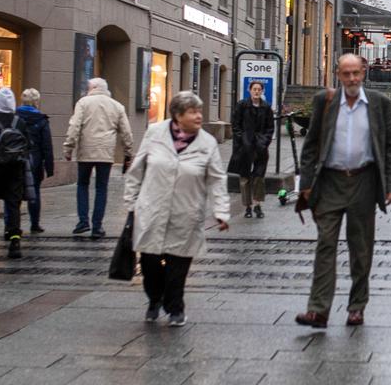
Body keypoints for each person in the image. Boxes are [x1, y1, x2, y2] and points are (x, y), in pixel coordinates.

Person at [295, 54, 391, 329]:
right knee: (325, 244)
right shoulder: (326, 101)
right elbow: (310, 145)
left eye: (356, 73)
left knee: (361, 248)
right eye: (347, 74)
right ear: (338, 75)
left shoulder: (379, 103)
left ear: (363, 73)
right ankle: (318, 309)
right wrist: (305, 184)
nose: (352, 78)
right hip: (330, 182)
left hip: (364, 182)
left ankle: (357, 307)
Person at [124, 91, 230, 327]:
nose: (199, 116)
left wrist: (221, 211)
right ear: (178, 115)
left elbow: (216, 179)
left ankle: (175, 308)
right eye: (193, 112)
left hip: (186, 212)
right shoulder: (154, 134)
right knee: (150, 263)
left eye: (199, 111)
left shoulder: (207, 143)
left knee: (178, 266)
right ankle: (154, 298)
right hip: (152, 210)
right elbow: (136, 171)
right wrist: (131, 203)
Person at [63, 77, 134, 239]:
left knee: (82, 185)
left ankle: (83, 222)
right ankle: (97, 226)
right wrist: (128, 153)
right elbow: (126, 132)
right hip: (105, 153)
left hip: (85, 153)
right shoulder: (117, 106)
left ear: (93, 87)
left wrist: (68, 148)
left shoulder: (83, 103)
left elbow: (74, 126)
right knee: (101, 188)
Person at [230, 81, 274, 219]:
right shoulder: (242, 105)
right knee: (245, 178)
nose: (256, 92)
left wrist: (264, 141)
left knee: (259, 177)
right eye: (254, 89)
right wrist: (242, 140)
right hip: (245, 147)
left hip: (260, 147)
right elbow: (235, 124)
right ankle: (247, 206)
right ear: (249, 90)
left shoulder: (266, 107)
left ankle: (257, 205)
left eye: (259, 89)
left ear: (262, 91)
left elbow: (270, 128)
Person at [0, 88, 32, 258]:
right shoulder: (19, 121)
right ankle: (15, 241)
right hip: (15, 168)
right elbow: (28, 145)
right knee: (13, 204)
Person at [15, 89, 52, 235]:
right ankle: (34, 224)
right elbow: (46, 145)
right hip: (34, 160)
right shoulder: (41, 120)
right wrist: (49, 167)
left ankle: (11, 225)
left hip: (17, 157)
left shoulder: (14, 117)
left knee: (14, 192)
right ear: (36, 101)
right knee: (34, 191)